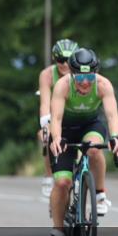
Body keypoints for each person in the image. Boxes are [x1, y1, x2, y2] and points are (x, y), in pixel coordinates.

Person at [47, 48, 118, 236]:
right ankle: (58, 231)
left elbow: (112, 116)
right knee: (62, 182)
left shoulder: (103, 85)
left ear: (95, 73)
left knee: (93, 149)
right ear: (72, 75)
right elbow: (55, 119)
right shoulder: (62, 86)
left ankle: (99, 194)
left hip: (90, 125)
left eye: (89, 76)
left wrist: (116, 138)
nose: (84, 82)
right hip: (64, 130)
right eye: (80, 77)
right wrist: (56, 139)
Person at [38, 38, 78, 197]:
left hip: (73, 112)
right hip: (52, 112)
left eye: (69, 60)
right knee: (47, 136)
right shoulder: (47, 74)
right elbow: (44, 104)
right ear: (55, 59)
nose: (65, 64)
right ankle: (48, 175)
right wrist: (45, 125)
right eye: (61, 60)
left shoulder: (81, 74)